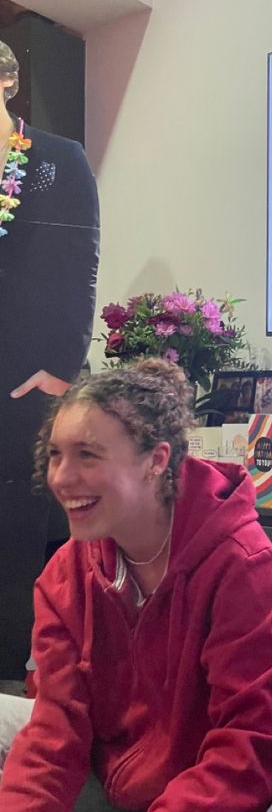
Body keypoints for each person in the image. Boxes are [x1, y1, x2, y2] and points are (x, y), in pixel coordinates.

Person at [0, 358, 272, 812]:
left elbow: (252, 742)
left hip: (239, 778)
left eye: (87, 454)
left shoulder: (240, 563)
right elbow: (56, 729)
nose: (61, 478)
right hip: (121, 761)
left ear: (156, 461)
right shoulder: (66, 573)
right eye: (55, 454)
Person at [0, 37, 100, 676]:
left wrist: (60, 368)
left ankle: (14, 683)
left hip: (24, 381)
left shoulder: (56, 161)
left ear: (6, 81)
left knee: (17, 533)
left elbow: (79, 265)